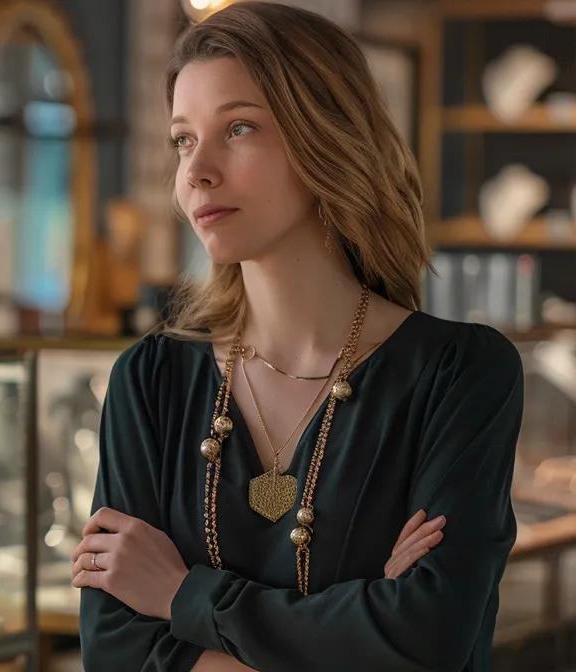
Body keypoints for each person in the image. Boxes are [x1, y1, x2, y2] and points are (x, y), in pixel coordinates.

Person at [72, 3, 523, 670]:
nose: (197, 172)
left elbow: (430, 641)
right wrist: (363, 620)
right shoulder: (152, 378)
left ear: (327, 138)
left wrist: (179, 595)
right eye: (183, 140)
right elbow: (116, 652)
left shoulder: (459, 373)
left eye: (240, 128)